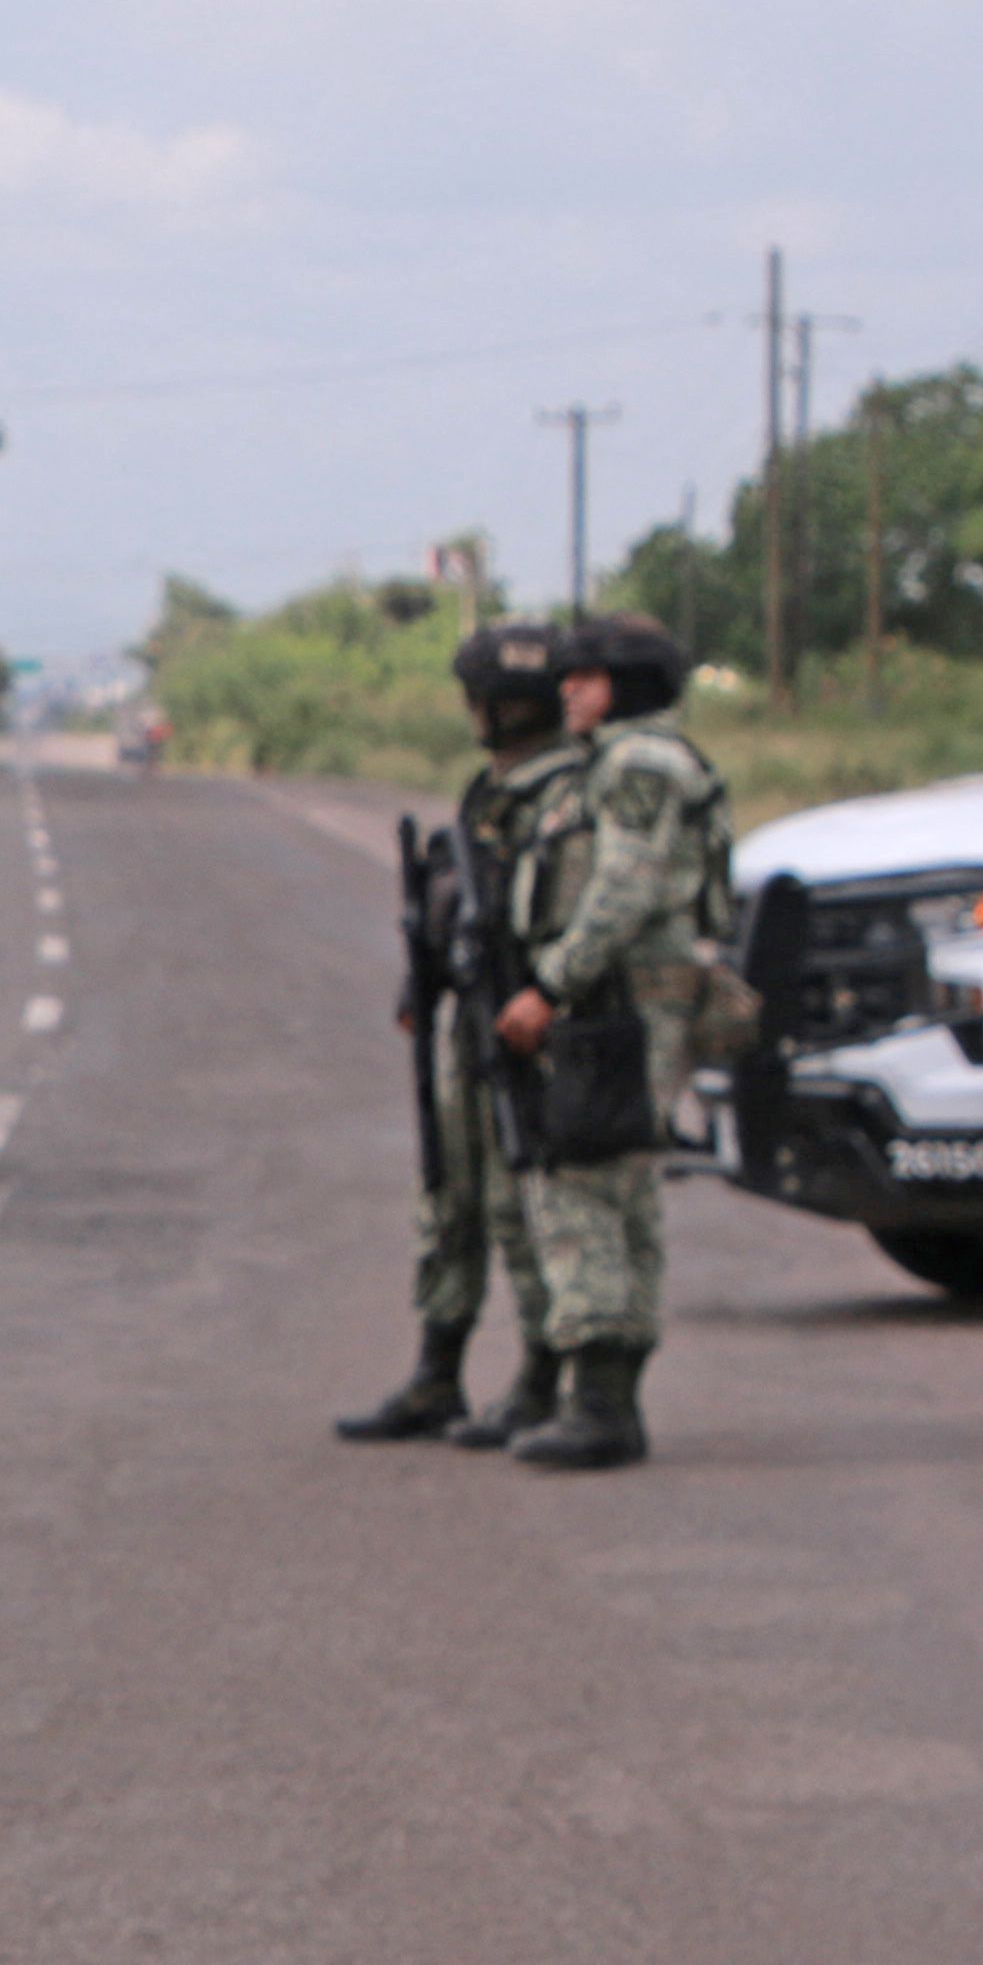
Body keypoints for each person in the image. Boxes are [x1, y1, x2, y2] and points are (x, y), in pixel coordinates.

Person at [490, 611, 728, 1470]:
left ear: (623, 686)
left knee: (583, 1182)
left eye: (584, 678)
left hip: (621, 994)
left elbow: (624, 886)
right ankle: (608, 1400)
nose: (565, 691)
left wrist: (552, 984)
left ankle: (600, 1403)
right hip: (629, 990)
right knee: (619, 1188)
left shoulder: (636, 763)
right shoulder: (624, 760)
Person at [336, 618, 578, 1446]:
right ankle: (438, 1373)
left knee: (520, 1207)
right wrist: (424, 975)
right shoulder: (494, 788)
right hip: (470, 1020)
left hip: (529, 1027)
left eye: (484, 699)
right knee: (449, 1200)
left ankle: (542, 1380)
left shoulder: (568, 790)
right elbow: (462, 895)